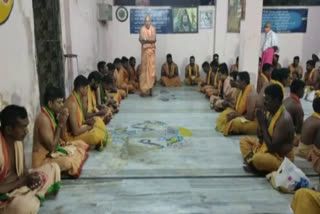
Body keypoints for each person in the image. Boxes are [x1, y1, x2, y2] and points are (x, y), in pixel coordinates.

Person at [0, 105, 61, 214]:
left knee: (54, 168)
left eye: (26, 126)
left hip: (19, 186)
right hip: (4, 197)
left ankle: (31, 196)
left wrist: (31, 178)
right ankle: (31, 197)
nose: (26, 131)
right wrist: (22, 182)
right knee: (22, 207)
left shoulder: (18, 141)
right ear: (9, 129)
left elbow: (23, 172)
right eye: (22, 127)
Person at [32, 86, 89, 178]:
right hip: (42, 161)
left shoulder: (52, 115)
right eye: (59, 102)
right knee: (68, 162)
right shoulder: (43, 119)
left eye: (62, 102)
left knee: (80, 145)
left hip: (52, 153)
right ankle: (53, 172)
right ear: (50, 103)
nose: (62, 105)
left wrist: (63, 120)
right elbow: (52, 148)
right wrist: (60, 124)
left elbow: (62, 138)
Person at [240, 84, 295, 173]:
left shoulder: (284, 119)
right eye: (265, 98)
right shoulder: (270, 112)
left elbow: (273, 148)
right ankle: (254, 162)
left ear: (276, 101)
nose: (264, 102)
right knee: (244, 141)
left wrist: (263, 125)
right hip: (267, 147)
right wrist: (260, 127)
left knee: (258, 158)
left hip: (281, 157)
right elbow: (261, 139)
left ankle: (256, 165)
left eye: (267, 99)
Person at [64, 75, 108, 151]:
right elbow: (75, 131)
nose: (88, 90)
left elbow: (79, 121)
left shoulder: (77, 99)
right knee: (95, 136)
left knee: (97, 120)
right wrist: (89, 127)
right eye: (86, 88)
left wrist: (88, 122)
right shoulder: (72, 103)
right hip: (69, 136)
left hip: (78, 129)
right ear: (81, 89)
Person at [216, 72, 258, 136]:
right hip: (242, 116)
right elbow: (238, 108)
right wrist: (234, 113)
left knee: (234, 123)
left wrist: (236, 116)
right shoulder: (241, 91)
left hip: (252, 122)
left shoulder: (251, 94)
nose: (236, 83)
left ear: (243, 82)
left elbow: (250, 117)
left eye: (238, 81)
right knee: (226, 113)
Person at [295, 98, 320, 169]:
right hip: (306, 152)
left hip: (301, 148)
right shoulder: (318, 122)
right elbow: (318, 145)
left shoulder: (310, 118)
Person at [284, 80, 305, 147]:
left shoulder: (286, 100)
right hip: (284, 136)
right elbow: (299, 130)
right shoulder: (297, 106)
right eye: (303, 90)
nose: (304, 92)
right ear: (299, 90)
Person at [139, 15, 156, 97]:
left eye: (148, 21)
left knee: (151, 72)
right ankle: (143, 90)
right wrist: (149, 40)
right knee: (144, 71)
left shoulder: (153, 29)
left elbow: (154, 39)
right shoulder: (142, 29)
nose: (147, 22)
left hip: (151, 53)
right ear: (144, 22)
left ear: (151, 22)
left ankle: (150, 90)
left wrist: (146, 40)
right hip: (145, 53)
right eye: (146, 21)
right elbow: (141, 40)